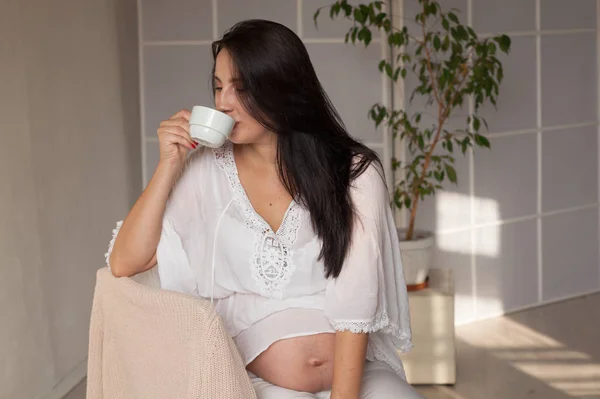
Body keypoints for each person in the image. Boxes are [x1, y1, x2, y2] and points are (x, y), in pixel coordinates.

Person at [106, 19, 424, 399]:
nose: (223, 103)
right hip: (252, 384)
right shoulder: (206, 171)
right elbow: (125, 262)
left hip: (355, 380)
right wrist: (168, 166)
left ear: (283, 89)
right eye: (219, 87)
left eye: (241, 88)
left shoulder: (353, 172)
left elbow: (358, 301)